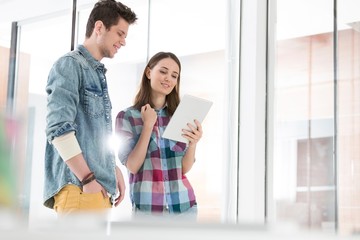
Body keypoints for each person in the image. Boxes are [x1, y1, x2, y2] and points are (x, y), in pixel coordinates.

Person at [44, 0, 137, 215]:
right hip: (80, 188)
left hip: (96, 190)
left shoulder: (96, 73)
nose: (123, 42)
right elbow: (58, 129)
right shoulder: (69, 65)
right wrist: (88, 178)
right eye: (120, 33)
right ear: (99, 27)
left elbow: (96, 135)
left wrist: (111, 169)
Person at [115, 52, 202, 220]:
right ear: (149, 73)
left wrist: (193, 143)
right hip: (148, 212)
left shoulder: (179, 117)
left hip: (185, 208)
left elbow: (183, 169)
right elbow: (132, 165)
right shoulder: (127, 117)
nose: (168, 78)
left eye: (174, 75)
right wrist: (148, 126)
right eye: (163, 71)